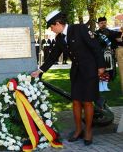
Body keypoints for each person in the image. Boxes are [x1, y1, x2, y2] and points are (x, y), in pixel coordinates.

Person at [31, 10, 106, 146]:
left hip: (90, 70)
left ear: (58, 23)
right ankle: (78, 130)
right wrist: (40, 71)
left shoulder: (79, 29)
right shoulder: (59, 38)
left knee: (87, 102)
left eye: (52, 26)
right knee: (76, 101)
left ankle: (88, 131)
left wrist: (101, 66)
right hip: (76, 72)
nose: (51, 29)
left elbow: (95, 47)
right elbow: (53, 56)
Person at [95, 17, 123, 92]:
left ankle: (105, 86)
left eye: (104, 22)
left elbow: (118, 39)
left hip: (109, 55)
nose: (103, 24)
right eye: (101, 23)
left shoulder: (111, 32)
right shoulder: (96, 34)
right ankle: (100, 86)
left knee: (108, 71)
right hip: (100, 55)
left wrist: (121, 31)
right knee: (101, 71)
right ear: (98, 24)